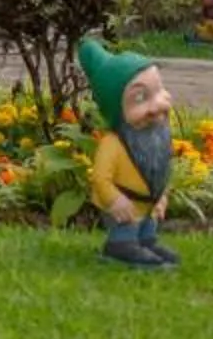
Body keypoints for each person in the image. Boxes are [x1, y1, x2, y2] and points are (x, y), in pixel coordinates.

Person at [77, 37, 179, 269]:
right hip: (123, 204)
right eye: (140, 98)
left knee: (146, 226)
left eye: (158, 90)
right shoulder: (113, 145)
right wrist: (115, 200)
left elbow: (162, 170)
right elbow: (100, 178)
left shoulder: (159, 137)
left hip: (148, 204)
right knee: (127, 226)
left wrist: (162, 196)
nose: (156, 106)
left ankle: (147, 242)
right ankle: (120, 246)